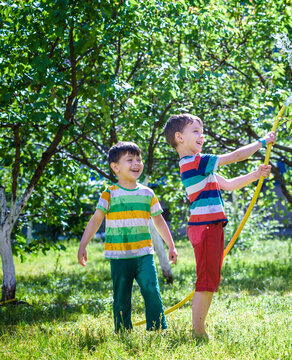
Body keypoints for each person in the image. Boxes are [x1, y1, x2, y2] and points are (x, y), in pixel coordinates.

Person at [163, 113, 275, 339]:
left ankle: (199, 329)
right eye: (195, 131)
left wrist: (256, 175)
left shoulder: (201, 166)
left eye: (201, 131)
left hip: (211, 227)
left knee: (210, 280)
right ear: (179, 137)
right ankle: (198, 332)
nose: (201, 135)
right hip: (205, 228)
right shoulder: (194, 162)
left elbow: (230, 185)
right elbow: (235, 156)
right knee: (205, 282)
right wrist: (262, 142)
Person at [77, 141, 178, 332]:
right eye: (130, 160)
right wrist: (83, 245)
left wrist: (171, 246)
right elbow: (95, 220)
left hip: (144, 255)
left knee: (152, 289)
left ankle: (157, 328)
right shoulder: (109, 194)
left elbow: (159, 221)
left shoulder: (148, 193)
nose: (136, 163)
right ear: (115, 167)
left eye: (139, 159)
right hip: (119, 256)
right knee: (122, 296)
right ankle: (123, 331)